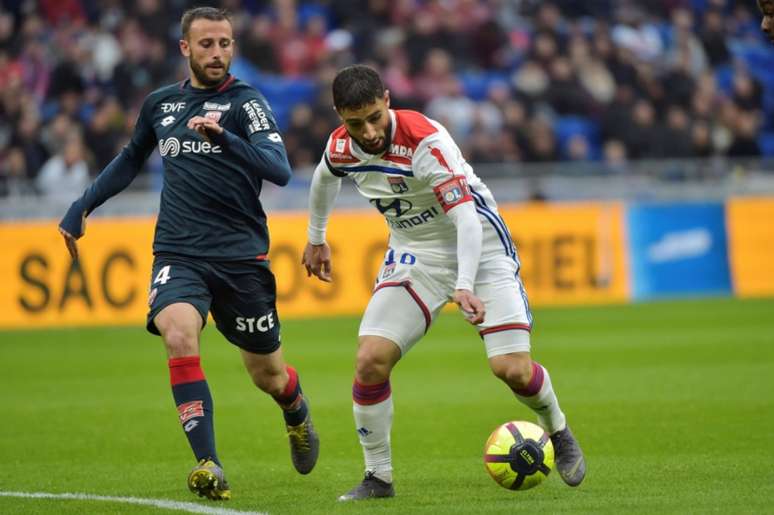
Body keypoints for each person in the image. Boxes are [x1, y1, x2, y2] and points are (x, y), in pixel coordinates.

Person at [58, 7, 319, 501]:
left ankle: (295, 407)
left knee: (268, 374)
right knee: (178, 333)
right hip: (179, 252)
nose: (217, 53)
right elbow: (131, 158)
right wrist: (81, 204)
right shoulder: (160, 104)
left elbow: (280, 170)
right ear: (185, 48)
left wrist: (227, 139)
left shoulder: (248, 103)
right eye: (207, 44)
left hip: (242, 258)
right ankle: (209, 463)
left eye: (224, 43)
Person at [302, 65, 586, 501]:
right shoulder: (341, 146)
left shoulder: (424, 142)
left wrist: (466, 284)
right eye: (355, 122)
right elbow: (323, 179)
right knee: (370, 359)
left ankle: (560, 430)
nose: (369, 131)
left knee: (511, 369)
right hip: (416, 254)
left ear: (388, 100)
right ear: (340, 115)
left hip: (482, 249)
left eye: (375, 116)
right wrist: (316, 239)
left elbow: (466, 218)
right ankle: (378, 478)